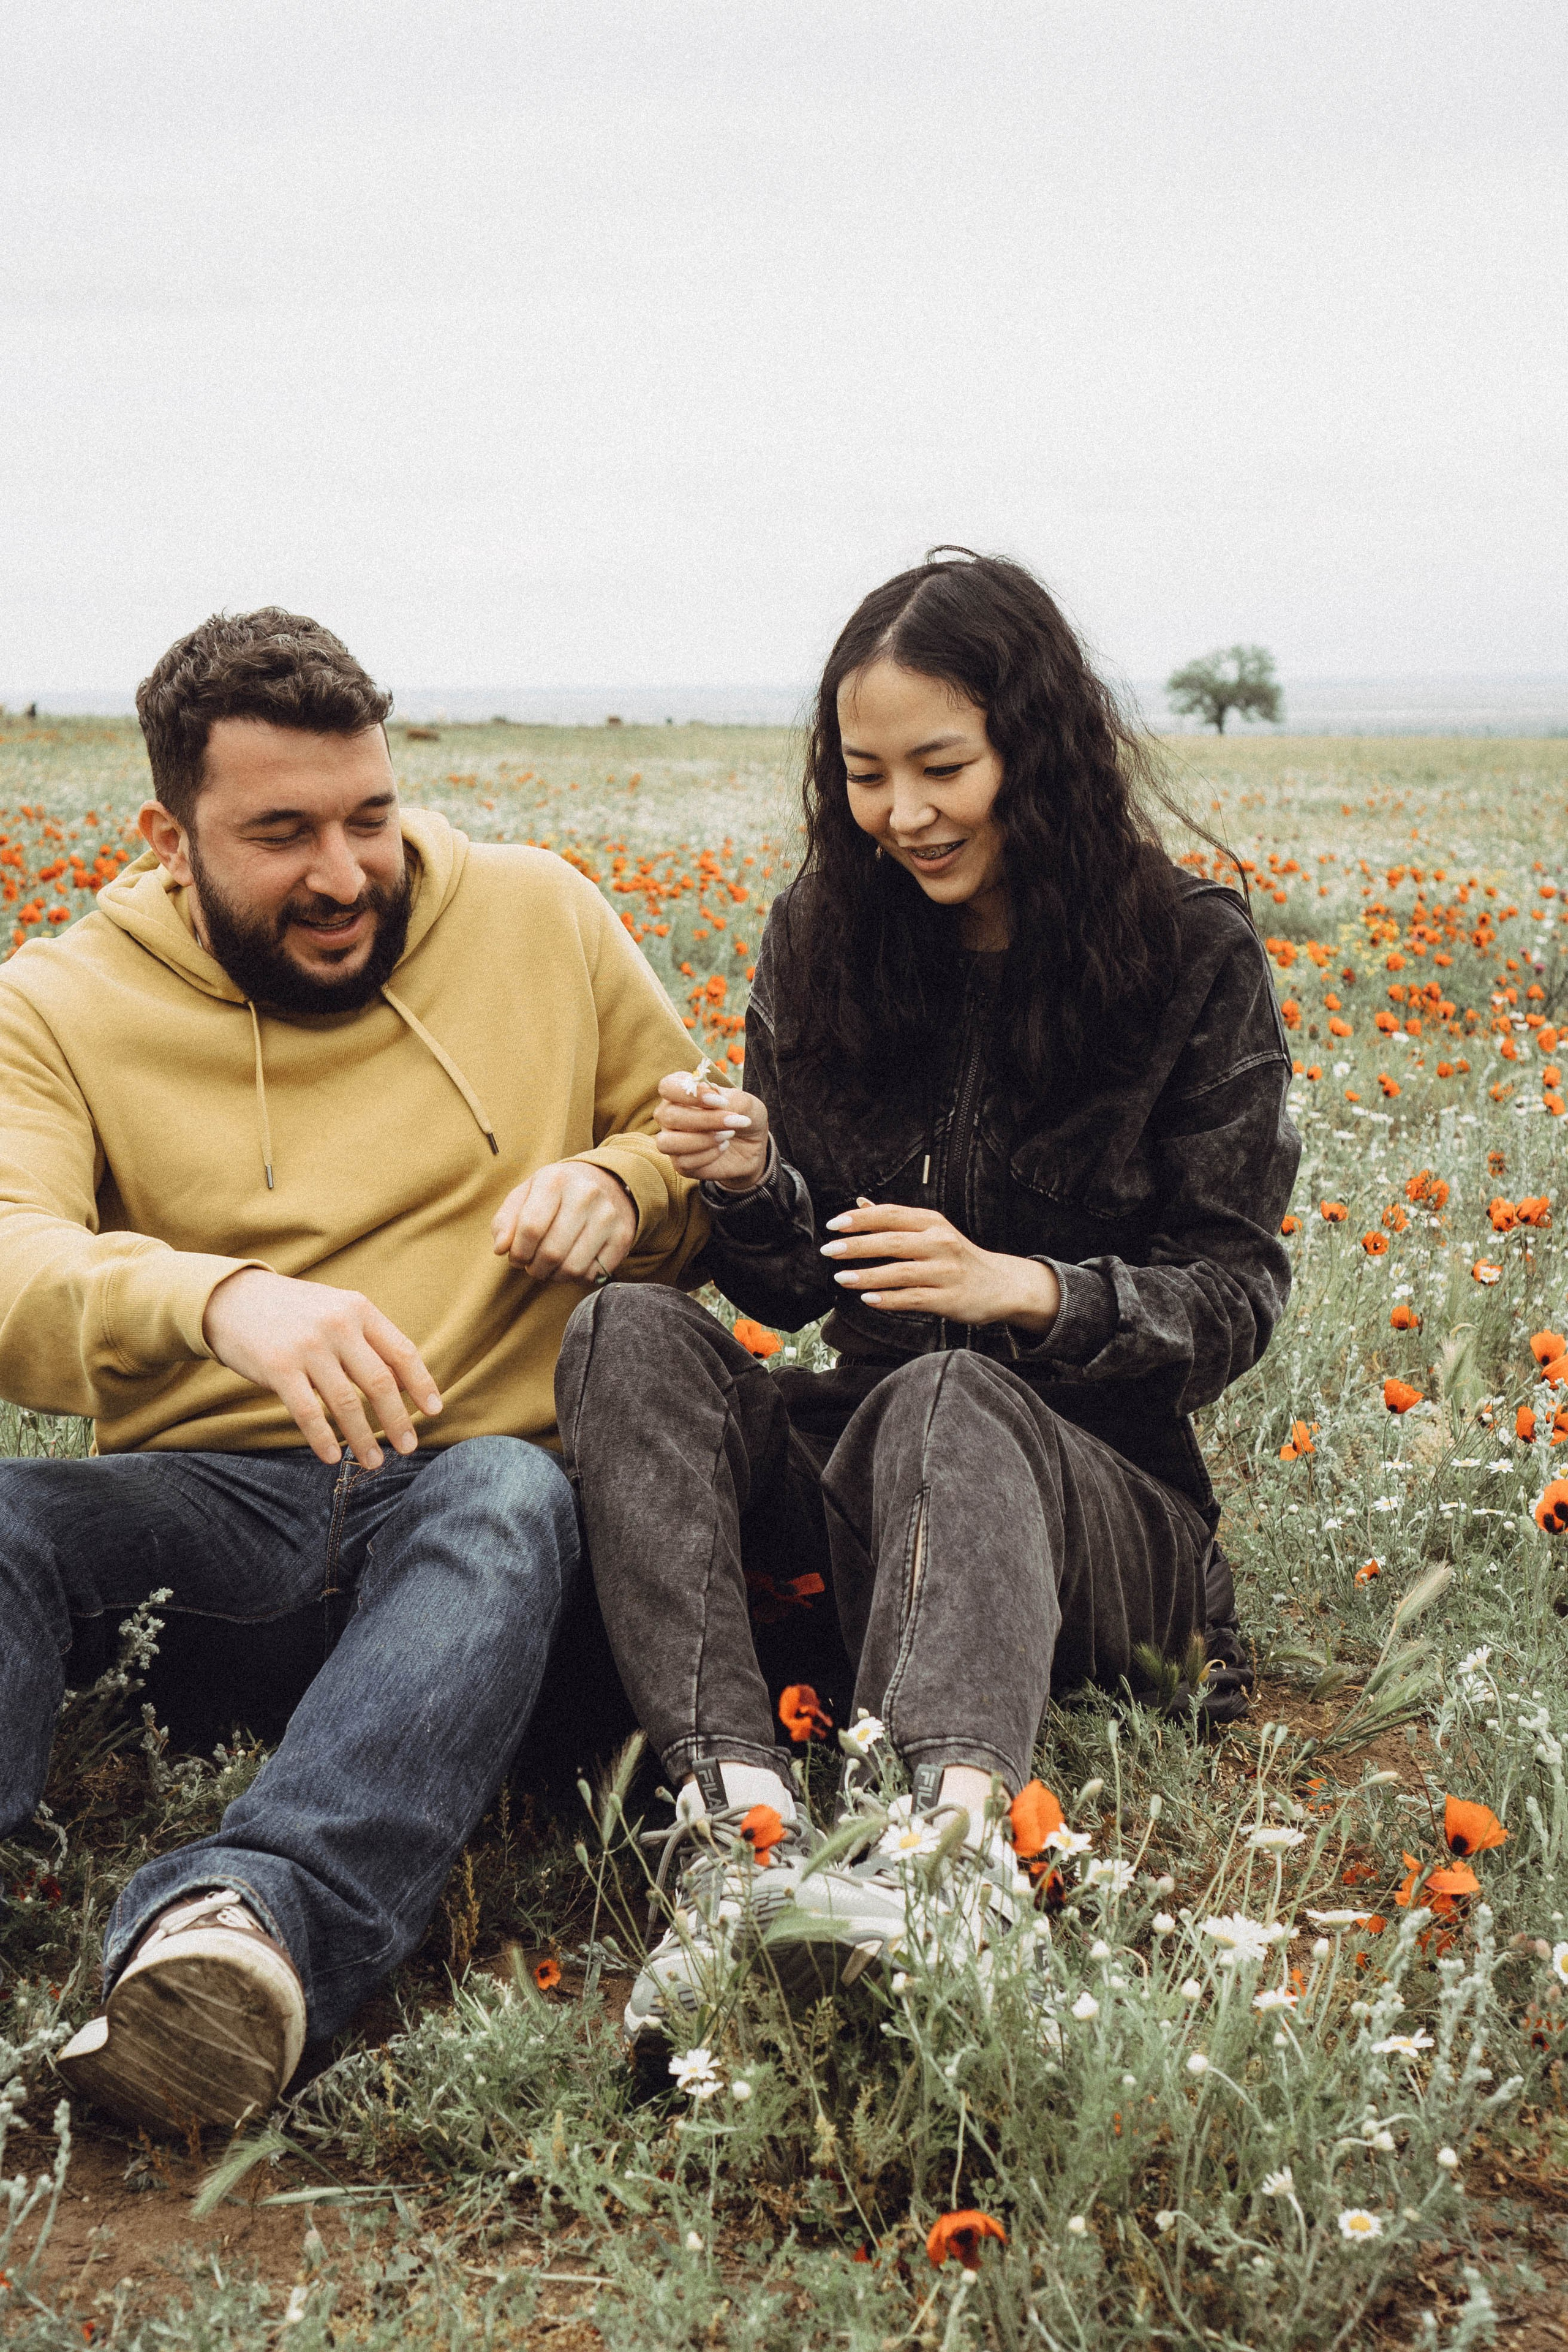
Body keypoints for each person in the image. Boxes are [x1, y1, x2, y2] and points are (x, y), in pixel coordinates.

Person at [556, 551, 1301, 2055]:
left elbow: (1231, 1298)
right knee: (622, 1329)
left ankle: (948, 1860)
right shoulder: (821, 938)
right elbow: (786, 1287)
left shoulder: (1186, 956)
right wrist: (758, 1179)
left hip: (1106, 1514)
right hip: (861, 1486)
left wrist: (1022, 1291)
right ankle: (735, 1834)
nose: (905, 816)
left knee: (955, 1392)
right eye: (867, 776)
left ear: (1035, 743)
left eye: (942, 767)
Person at [0, 609, 706, 2132]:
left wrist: (629, 1184)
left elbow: (700, 1151)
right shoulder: (57, 1003)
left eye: (367, 819)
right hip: (210, 1522)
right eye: (279, 834)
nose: (341, 874)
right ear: (168, 838)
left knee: (507, 1487)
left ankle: (242, 1934)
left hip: (475, 1532)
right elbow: (6, 1256)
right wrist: (217, 1299)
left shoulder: (541, 916)